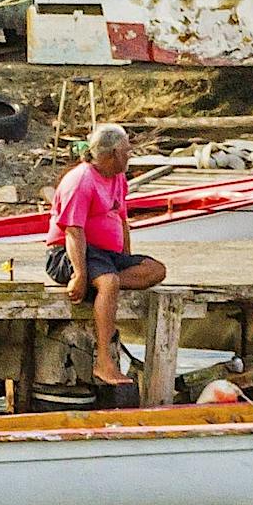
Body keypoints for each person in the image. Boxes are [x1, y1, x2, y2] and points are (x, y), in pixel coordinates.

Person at [45, 123, 167, 391]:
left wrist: (127, 257)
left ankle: (100, 286)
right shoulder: (81, 181)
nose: (130, 155)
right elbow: (73, 231)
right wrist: (79, 273)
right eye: (126, 151)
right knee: (110, 282)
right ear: (112, 153)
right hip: (70, 253)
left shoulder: (118, 178)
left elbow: (121, 220)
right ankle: (103, 360)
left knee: (155, 270)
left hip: (106, 256)